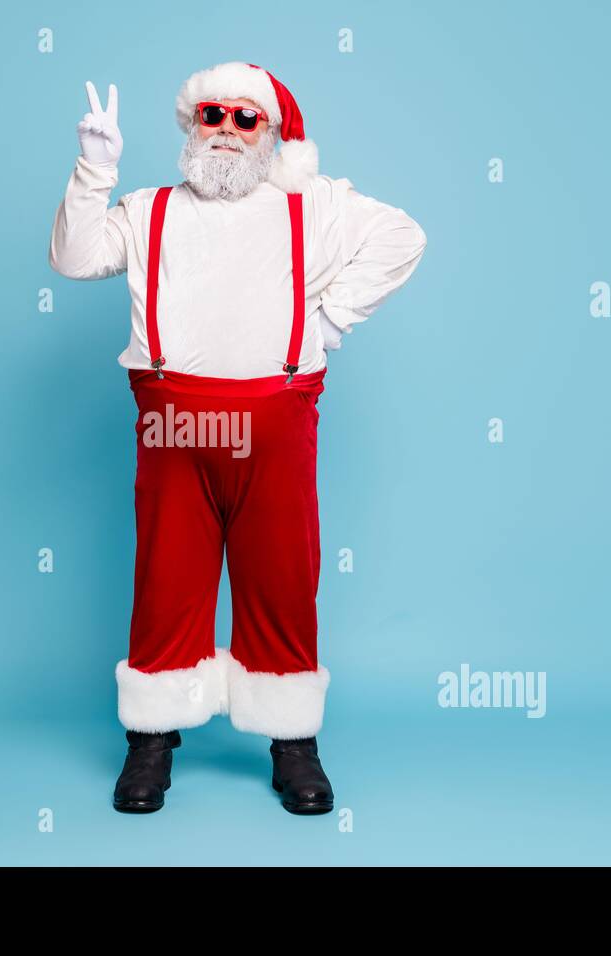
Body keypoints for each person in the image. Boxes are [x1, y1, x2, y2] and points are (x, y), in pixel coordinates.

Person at [48, 61, 428, 814]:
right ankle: (152, 741)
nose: (226, 130)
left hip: (277, 423)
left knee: (282, 575)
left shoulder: (311, 206)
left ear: (272, 136)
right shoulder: (149, 207)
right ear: (192, 128)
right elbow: (74, 257)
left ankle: (293, 745)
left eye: (245, 118)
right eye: (212, 115)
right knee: (166, 575)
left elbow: (403, 236)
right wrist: (95, 169)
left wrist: (334, 316)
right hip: (172, 421)